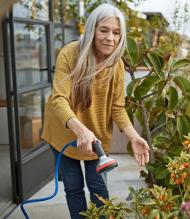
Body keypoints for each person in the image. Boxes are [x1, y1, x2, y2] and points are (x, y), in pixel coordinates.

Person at [41, 3, 150, 219]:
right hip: (64, 134)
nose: (110, 38)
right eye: (104, 30)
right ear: (92, 29)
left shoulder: (115, 65)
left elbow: (117, 108)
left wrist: (133, 136)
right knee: (73, 188)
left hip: (97, 139)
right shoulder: (70, 54)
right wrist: (80, 131)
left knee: (99, 190)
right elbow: (59, 99)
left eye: (116, 32)